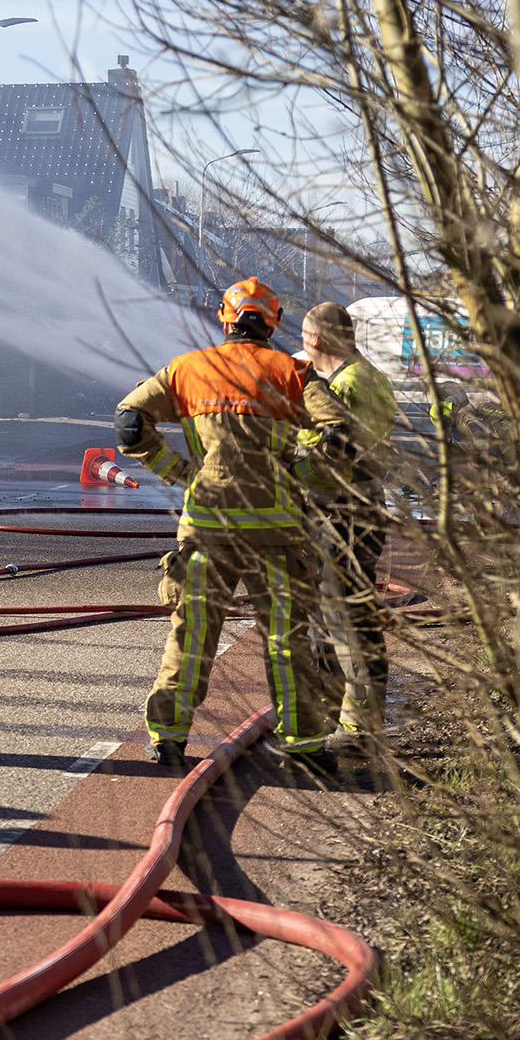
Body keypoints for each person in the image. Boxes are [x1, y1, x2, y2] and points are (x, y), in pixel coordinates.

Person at [116, 277, 357, 774]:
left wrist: (181, 474)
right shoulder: (293, 373)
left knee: (192, 634)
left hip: (207, 529)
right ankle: (305, 743)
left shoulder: (187, 369)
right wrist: (297, 475)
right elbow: (342, 437)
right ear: (274, 322)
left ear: (225, 318)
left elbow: (129, 424)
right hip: (279, 536)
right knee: (288, 639)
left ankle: (168, 740)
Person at [297, 301, 397, 744]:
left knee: (346, 617)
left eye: (303, 335)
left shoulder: (347, 387)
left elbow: (332, 457)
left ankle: (359, 726)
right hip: (352, 509)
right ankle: (334, 714)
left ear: (316, 340)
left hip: (344, 512)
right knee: (329, 613)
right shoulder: (366, 376)